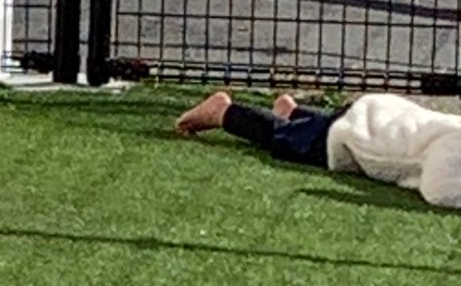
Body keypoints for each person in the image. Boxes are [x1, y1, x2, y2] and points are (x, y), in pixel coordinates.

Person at [176, 89, 461, 208]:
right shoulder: (454, 143)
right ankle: (223, 112)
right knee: (286, 140)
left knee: (316, 128)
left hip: (381, 115)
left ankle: (292, 112)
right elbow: (435, 190)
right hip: (363, 134)